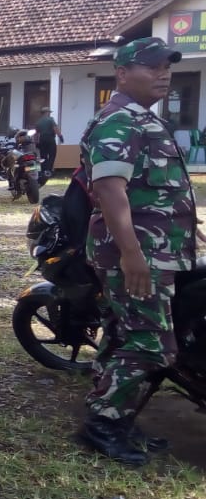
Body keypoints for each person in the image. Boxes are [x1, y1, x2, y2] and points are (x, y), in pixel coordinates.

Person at [77, 37, 204, 466]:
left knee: (121, 335)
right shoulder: (120, 120)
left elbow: (153, 191)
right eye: (152, 67)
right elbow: (110, 191)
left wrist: (189, 231)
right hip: (137, 255)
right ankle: (103, 425)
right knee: (153, 345)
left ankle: (117, 416)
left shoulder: (140, 118)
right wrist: (132, 253)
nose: (163, 74)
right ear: (123, 74)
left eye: (167, 66)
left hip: (154, 249)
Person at [35, 107, 63, 182]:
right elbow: (55, 128)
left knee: (43, 156)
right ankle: (49, 171)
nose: (49, 113)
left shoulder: (38, 121)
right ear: (46, 113)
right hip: (50, 139)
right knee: (52, 155)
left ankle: (44, 171)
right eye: (49, 112)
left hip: (42, 140)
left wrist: (37, 142)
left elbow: (36, 134)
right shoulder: (50, 119)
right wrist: (60, 136)